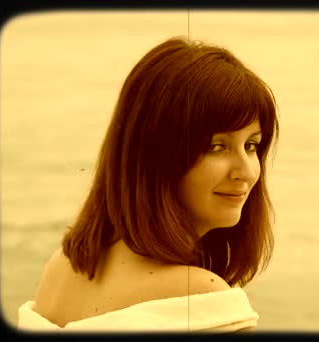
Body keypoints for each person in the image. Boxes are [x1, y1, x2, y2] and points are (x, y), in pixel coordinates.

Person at [17, 36, 279, 333]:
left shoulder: (63, 269)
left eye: (251, 145)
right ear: (159, 155)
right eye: (216, 146)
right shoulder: (203, 298)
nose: (246, 171)